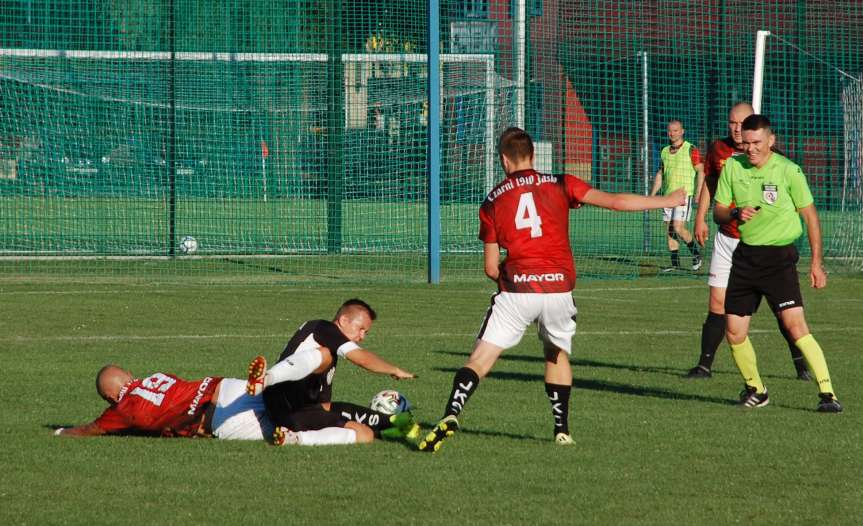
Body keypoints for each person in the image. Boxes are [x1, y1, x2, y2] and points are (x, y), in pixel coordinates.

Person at [416, 127, 687, 452]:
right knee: (555, 354)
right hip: (559, 290)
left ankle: (450, 414)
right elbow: (615, 202)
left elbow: (490, 268)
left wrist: (515, 281)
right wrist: (667, 200)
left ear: (504, 159)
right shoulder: (561, 183)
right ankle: (561, 430)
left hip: (518, 289)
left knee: (480, 359)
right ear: (532, 155)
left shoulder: (492, 200)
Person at [713, 114, 841, 412]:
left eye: (757, 142)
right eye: (746, 143)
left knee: (795, 326)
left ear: (771, 140)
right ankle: (757, 390)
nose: (751, 149)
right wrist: (734, 214)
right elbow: (719, 211)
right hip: (745, 257)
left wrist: (816, 263)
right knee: (733, 330)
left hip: (779, 259)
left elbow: (810, 216)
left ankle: (828, 395)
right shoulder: (733, 167)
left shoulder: (788, 171)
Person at [688, 103, 810, 380]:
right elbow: (710, 182)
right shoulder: (718, 150)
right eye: (732, 122)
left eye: (740, 123)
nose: (735, 128)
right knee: (717, 302)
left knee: (783, 310)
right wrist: (700, 217)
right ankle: (704, 365)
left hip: (761, 246)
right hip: (728, 237)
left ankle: (801, 364)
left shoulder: (768, 155)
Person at [246, 298, 419, 445]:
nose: (362, 336)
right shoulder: (323, 328)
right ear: (344, 320)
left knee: (362, 431)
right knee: (326, 355)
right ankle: (294, 434)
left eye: (366, 332)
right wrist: (394, 369)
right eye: (361, 329)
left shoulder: (326, 348)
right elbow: (361, 358)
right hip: (286, 406)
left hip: (293, 408)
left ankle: (388, 424)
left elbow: (323, 405)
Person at [55, 365, 360, 446]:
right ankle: (362, 416)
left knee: (291, 430)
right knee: (298, 407)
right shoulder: (158, 377)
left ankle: (351, 433)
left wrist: (62, 432)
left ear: (110, 397)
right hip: (226, 386)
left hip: (218, 417)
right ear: (131, 376)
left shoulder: (122, 410)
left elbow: (94, 428)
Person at [651, 119, 705, 272]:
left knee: (678, 227)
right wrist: (652, 195)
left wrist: (698, 193)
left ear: (682, 131)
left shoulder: (690, 149)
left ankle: (696, 255)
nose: (672, 133)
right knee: (670, 230)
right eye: (670, 131)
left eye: (675, 130)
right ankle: (675, 264)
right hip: (668, 197)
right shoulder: (664, 151)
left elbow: (701, 171)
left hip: (683, 195)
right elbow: (661, 174)